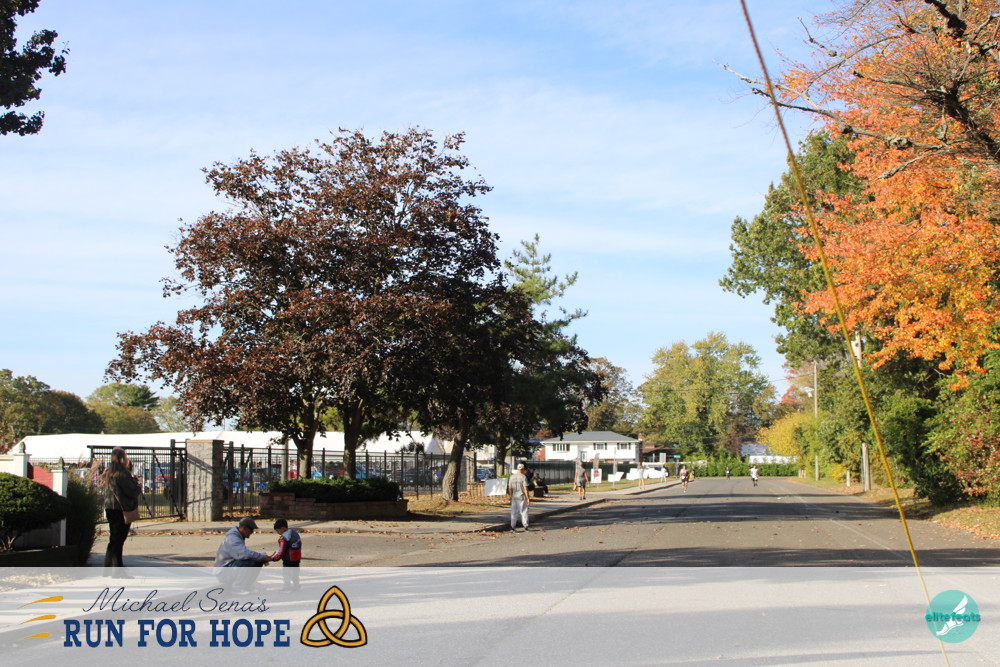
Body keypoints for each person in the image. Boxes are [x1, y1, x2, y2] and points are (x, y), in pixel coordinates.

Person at [101, 447, 141, 577]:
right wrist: (138, 487)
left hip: (110, 507)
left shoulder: (109, 472)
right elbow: (132, 491)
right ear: (123, 458)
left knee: (113, 539)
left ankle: (107, 569)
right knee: (119, 540)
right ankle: (118, 571)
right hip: (121, 509)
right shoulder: (122, 474)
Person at [214, 517, 270, 593]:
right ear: (244, 528)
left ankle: (247, 585)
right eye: (251, 530)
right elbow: (243, 554)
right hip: (223, 572)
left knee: (258, 561)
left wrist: (261, 557)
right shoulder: (233, 538)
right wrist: (261, 556)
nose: (252, 532)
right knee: (247, 563)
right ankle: (237, 587)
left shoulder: (238, 536)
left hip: (229, 568)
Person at [271, 519, 302, 591]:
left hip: (288, 559)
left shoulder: (283, 538)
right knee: (295, 573)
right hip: (297, 558)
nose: (278, 533)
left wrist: (274, 558)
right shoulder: (295, 533)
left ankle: (287, 587)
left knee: (286, 574)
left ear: (282, 528)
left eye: (278, 531)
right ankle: (296, 585)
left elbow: (281, 551)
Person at [507, 463, 531, 531]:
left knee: (514, 511)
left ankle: (513, 525)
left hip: (514, 496)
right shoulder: (523, 477)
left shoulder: (512, 477)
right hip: (521, 496)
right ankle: (525, 525)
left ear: (517, 469)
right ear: (523, 469)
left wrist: (510, 496)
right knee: (523, 511)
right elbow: (525, 488)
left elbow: (510, 488)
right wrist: (528, 498)